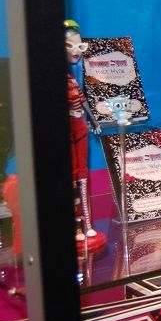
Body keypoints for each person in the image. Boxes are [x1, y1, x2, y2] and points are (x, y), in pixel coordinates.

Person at [64, 19, 105, 251]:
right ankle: (77, 227)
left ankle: (87, 224)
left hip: (80, 125)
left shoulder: (73, 79)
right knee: (72, 176)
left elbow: (83, 100)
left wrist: (93, 120)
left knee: (82, 176)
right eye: (69, 46)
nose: (76, 52)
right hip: (70, 126)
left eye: (79, 46)